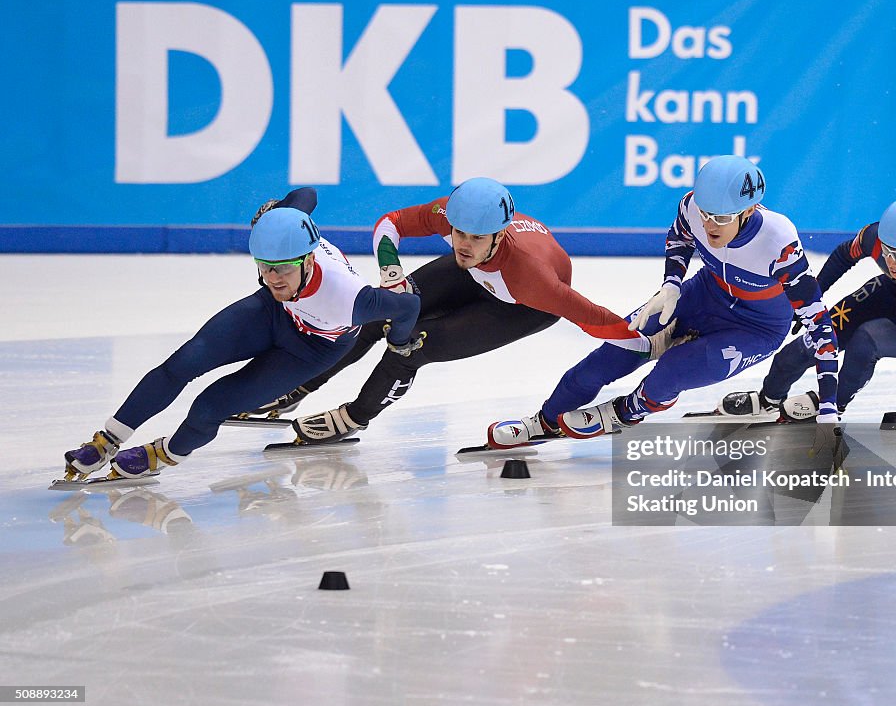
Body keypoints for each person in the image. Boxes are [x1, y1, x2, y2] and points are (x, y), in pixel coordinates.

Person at [262, 177, 675, 445]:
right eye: (458, 232)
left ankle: (355, 416)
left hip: (519, 304)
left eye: (475, 237)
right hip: (477, 274)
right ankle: (301, 383)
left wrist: (649, 343)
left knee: (410, 349)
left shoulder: (530, 278)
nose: (462, 242)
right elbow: (390, 223)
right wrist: (391, 271)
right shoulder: (455, 221)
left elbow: (594, 318)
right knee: (377, 314)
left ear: (498, 234)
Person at [62, 188, 421, 481]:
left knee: (209, 407)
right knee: (184, 362)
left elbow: (407, 307)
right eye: (263, 268)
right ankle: (108, 438)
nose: (273, 278)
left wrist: (400, 342)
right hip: (272, 312)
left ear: (309, 261)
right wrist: (278, 210)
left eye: (281, 270)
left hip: (312, 349)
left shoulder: (349, 298)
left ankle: (166, 453)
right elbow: (307, 194)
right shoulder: (282, 254)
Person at [488, 155, 840, 446]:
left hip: (756, 328)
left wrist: (828, 406)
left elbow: (821, 329)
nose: (710, 224)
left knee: (673, 369)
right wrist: (671, 284)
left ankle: (629, 411)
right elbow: (679, 238)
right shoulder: (691, 207)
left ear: (749, 211)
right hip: (703, 295)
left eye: (721, 218)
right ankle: (544, 420)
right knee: (611, 352)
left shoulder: (778, 242)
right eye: (705, 213)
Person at [718, 195, 896, 420]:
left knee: (867, 340)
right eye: (888, 252)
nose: (891, 262)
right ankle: (768, 399)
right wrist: (812, 299)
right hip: (891, 294)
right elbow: (845, 255)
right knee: (811, 342)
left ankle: (832, 404)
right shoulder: (874, 238)